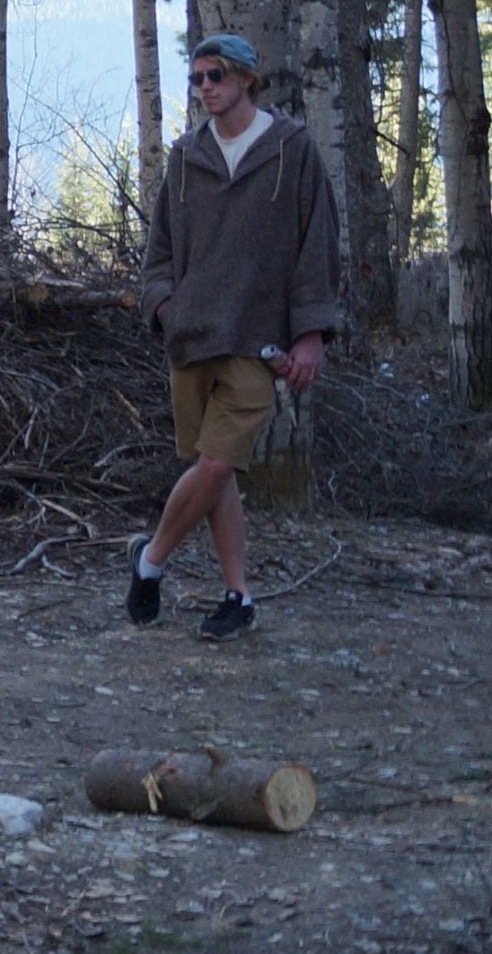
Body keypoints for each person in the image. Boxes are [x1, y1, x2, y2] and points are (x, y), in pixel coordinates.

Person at [132, 32, 344, 640]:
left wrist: (311, 334)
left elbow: (317, 247)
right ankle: (239, 598)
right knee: (213, 469)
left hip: (258, 339)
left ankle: (149, 562)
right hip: (192, 335)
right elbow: (161, 251)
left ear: (248, 79)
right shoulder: (186, 156)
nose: (205, 88)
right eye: (198, 78)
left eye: (216, 76)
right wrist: (165, 307)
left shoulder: (291, 150)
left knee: (220, 460)